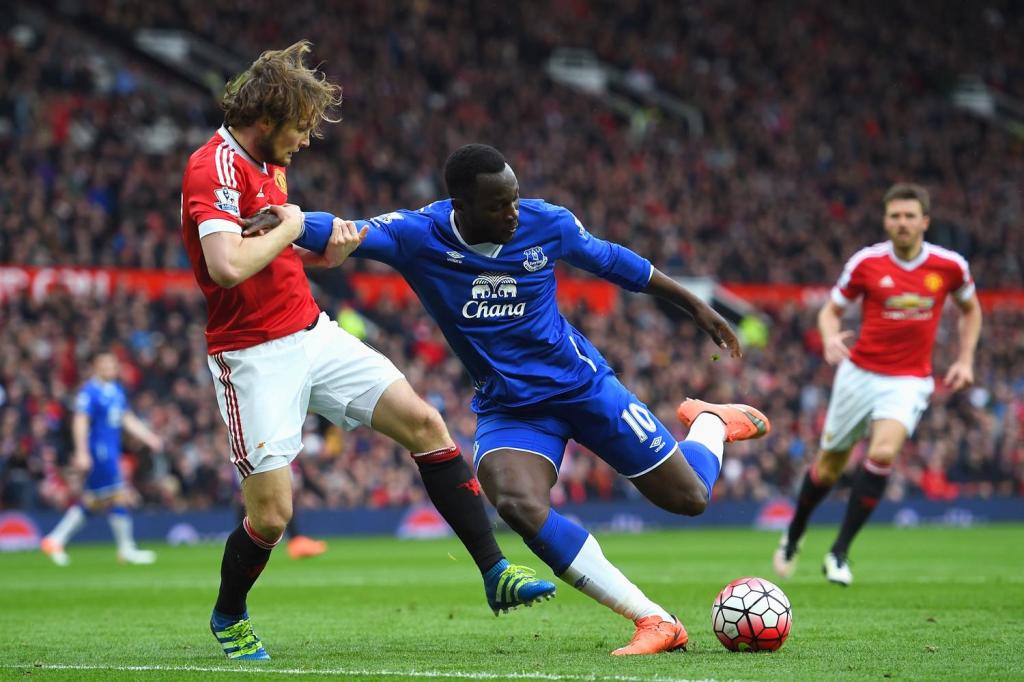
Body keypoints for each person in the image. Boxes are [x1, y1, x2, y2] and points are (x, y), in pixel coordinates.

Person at [253, 143, 771, 655]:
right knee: (518, 504)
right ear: (461, 206)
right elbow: (346, 228)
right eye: (498, 205)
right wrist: (290, 224)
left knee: (689, 499)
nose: (512, 214)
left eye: (515, 200)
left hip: (583, 387)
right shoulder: (419, 234)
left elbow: (615, 263)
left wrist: (695, 307)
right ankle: (653, 619)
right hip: (511, 409)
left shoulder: (549, 224)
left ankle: (711, 424)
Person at [182, 42, 554, 661]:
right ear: (268, 120)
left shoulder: (267, 161)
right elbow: (223, 267)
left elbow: (271, 246)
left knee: (426, 423)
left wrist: (319, 249)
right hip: (251, 355)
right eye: (300, 130)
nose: (304, 143)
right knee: (272, 517)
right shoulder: (214, 168)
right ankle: (229, 615)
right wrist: (298, 226)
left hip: (311, 330)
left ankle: (496, 571)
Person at [772, 183, 982, 586]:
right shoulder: (866, 263)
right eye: (894, 216)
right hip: (859, 373)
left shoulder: (949, 266)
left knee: (883, 452)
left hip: (908, 379)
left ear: (925, 221)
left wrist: (965, 358)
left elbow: (972, 311)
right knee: (830, 466)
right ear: (885, 221)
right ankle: (794, 534)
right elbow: (830, 312)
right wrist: (831, 336)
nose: (901, 223)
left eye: (909, 216)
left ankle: (839, 553)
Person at [40, 352, 163, 566]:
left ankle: (55, 539)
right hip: (99, 451)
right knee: (118, 495)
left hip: (112, 450)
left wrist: (149, 437)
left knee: (94, 501)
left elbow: (126, 418)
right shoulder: (90, 392)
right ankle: (126, 549)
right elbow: (80, 421)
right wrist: (82, 452)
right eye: (105, 365)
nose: (110, 368)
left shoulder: (115, 390)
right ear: (96, 367)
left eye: (113, 365)